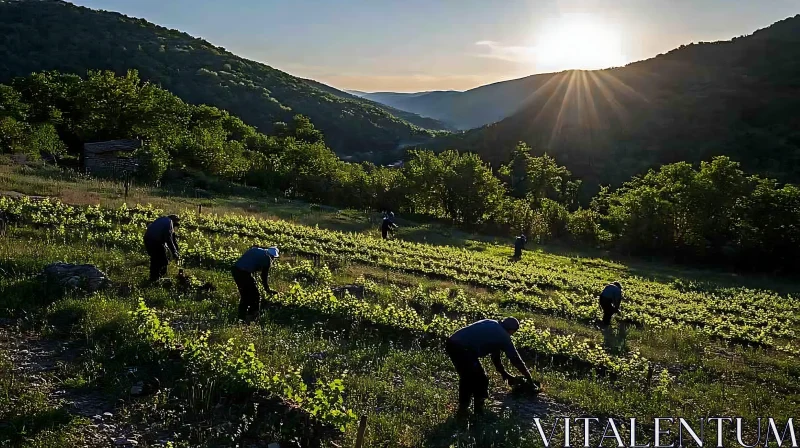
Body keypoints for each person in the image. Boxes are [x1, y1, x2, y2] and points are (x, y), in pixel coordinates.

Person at [445, 317, 533, 417]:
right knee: (481, 379)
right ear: (512, 330)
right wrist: (529, 379)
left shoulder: (492, 323)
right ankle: (478, 411)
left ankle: (463, 409)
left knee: (467, 377)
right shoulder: (504, 337)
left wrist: (504, 374)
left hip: (452, 343)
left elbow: (495, 357)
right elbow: (516, 360)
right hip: (463, 348)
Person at [232, 246, 279, 322]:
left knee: (245, 295)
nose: (273, 259)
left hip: (235, 270)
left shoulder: (256, 250)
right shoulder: (267, 259)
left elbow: (249, 262)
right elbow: (264, 276)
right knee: (256, 296)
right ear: (272, 256)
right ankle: (252, 317)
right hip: (244, 273)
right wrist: (267, 289)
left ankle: (241, 317)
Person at [143, 214, 180, 281]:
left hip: (147, 239)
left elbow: (172, 238)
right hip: (155, 241)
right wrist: (175, 253)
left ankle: (153, 278)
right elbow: (169, 239)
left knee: (155, 259)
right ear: (174, 221)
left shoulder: (162, 219)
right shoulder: (169, 222)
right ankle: (160, 279)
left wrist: (175, 250)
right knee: (163, 261)